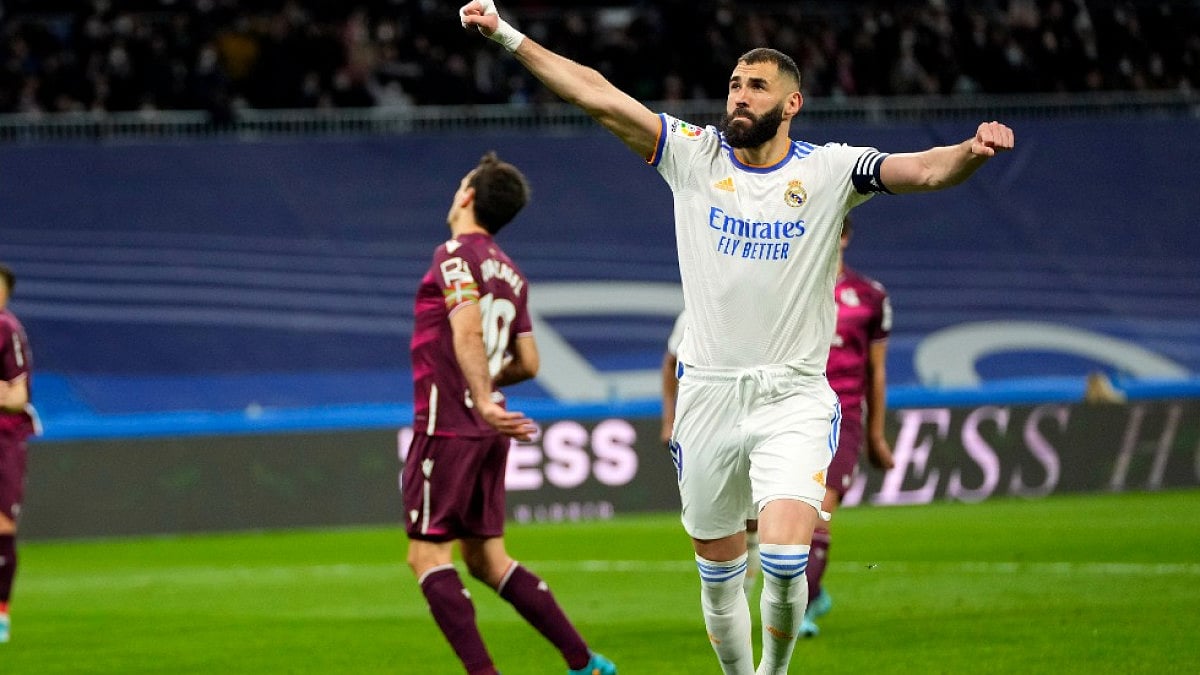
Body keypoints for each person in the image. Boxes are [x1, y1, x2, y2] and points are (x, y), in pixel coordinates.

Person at [460, 4, 1014, 672]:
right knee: (719, 577)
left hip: (793, 397)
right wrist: (509, 36)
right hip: (709, 397)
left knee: (782, 559)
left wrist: (969, 152)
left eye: (756, 87)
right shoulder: (693, 156)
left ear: (792, 103)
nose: (740, 97)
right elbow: (598, 96)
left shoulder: (831, 170)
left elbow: (923, 169)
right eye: (734, 85)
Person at [402, 153, 617, 675]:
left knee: (428, 557)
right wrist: (489, 391)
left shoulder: (452, 255)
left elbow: (468, 330)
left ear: (468, 196)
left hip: (448, 424)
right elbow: (529, 362)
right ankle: (584, 662)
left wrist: (473, 393)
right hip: (486, 427)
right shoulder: (512, 274)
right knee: (486, 560)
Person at [799, 215, 896, 637]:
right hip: (793, 410)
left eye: (834, 230)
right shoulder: (792, 285)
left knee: (820, 511)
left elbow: (877, 371)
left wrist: (876, 434)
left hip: (844, 415)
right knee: (789, 516)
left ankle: (799, 609)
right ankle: (812, 593)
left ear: (845, 237)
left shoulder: (871, 297)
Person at [0, 263, 38, 645]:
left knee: (2, 528)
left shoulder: (6, 329)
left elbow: (17, 396)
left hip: (3, 439)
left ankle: (1, 614)